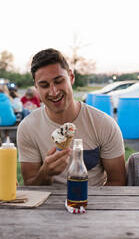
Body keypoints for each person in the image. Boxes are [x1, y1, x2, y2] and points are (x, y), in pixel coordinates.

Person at [17, 48, 126, 186]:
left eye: (58, 81)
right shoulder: (28, 128)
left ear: (71, 77)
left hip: (94, 204)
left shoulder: (103, 124)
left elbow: (118, 181)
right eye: (44, 85)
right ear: (36, 88)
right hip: (48, 205)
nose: (53, 91)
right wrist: (46, 173)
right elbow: (30, 184)